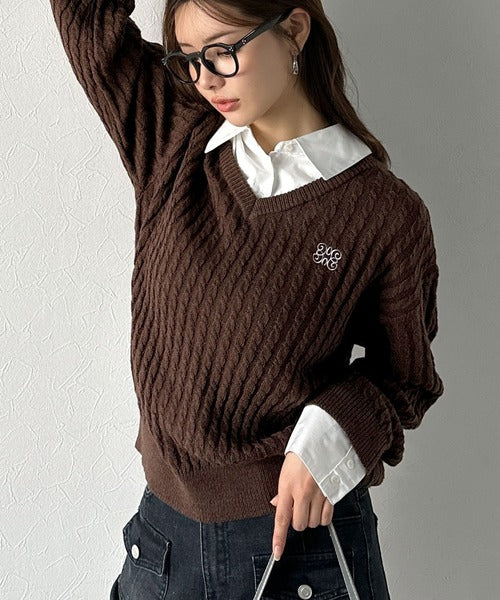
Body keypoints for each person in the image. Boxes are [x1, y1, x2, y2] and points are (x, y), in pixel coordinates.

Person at [49, 0, 445, 598]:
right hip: (161, 547)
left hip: (300, 552)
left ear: (294, 29)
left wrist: (333, 434)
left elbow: (405, 377)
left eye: (222, 51)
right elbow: (83, 18)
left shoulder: (384, 214)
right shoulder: (174, 141)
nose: (205, 79)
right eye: (189, 59)